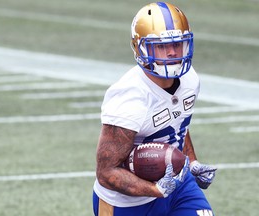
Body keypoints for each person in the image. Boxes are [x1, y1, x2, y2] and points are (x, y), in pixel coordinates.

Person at [93, 2, 217, 216]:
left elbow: (178, 122)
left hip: (178, 186)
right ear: (140, 48)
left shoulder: (190, 79)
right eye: (161, 45)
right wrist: (156, 189)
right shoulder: (129, 96)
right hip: (127, 203)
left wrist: (192, 162)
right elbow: (106, 172)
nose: (171, 52)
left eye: (177, 44)